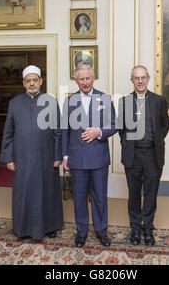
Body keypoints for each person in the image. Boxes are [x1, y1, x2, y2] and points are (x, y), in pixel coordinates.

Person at [0, 65, 63, 240]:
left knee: (47, 192)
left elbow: (58, 131)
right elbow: (8, 133)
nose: (32, 84)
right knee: (24, 193)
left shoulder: (51, 101)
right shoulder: (15, 103)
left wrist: (58, 155)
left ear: (41, 81)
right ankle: (23, 228)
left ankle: (50, 226)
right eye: (28, 81)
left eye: (35, 80)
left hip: (46, 156)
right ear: (24, 83)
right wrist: (8, 158)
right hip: (23, 158)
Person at [62, 63, 117, 248]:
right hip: (77, 158)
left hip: (99, 157)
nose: (85, 82)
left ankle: (101, 231)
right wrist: (65, 156)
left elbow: (114, 125)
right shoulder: (69, 102)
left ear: (93, 79)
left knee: (100, 197)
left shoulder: (105, 99)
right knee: (78, 198)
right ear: (76, 81)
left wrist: (99, 132)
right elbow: (64, 130)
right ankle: (82, 232)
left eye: (88, 78)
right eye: (81, 79)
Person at [117, 65, 169, 246]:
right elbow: (121, 129)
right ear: (132, 80)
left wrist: (154, 142)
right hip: (133, 155)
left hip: (153, 155)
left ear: (148, 79)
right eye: (136, 78)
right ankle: (135, 229)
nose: (140, 81)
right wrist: (128, 144)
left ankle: (147, 229)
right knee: (133, 194)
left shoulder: (159, 101)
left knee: (150, 194)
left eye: (143, 78)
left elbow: (165, 127)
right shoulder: (124, 102)